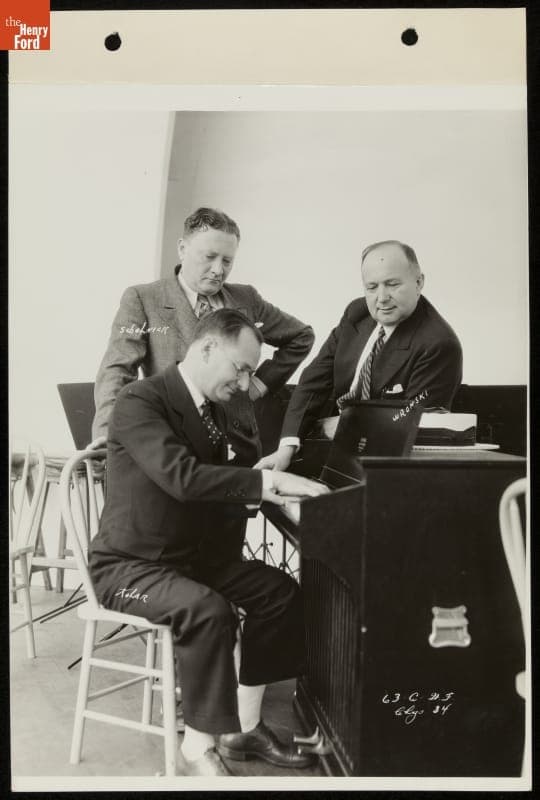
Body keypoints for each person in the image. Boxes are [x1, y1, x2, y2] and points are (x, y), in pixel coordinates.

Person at [88, 309, 329, 777]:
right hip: (128, 569)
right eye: (240, 368)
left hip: (187, 561)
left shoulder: (215, 412)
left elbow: (218, 486)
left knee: (279, 594)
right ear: (207, 348)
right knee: (207, 609)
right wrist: (265, 485)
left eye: (251, 373)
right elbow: (181, 478)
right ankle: (197, 749)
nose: (245, 383)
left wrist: (262, 482)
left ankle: (244, 728)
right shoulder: (141, 400)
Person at [91, 207, 315, 467]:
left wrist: (257, 385)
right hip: (171, 449)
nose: (218, 270)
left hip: (238, 449)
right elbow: (117, 370)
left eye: (227, 261)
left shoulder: (247, 299)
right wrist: (110, 437)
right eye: (209, 256)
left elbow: (301, 336)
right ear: (182, 249)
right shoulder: (143, 299)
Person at [258, 240, 463, 472]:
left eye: (392, 284)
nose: (381, 297)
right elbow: (314, 379)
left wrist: (349, 425)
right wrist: (287, 448)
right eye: (372, 287)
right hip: (324, 442)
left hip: (383, 466)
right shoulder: (357, 313)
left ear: (419, 282)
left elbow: (409, 424)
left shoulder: (438, 344)